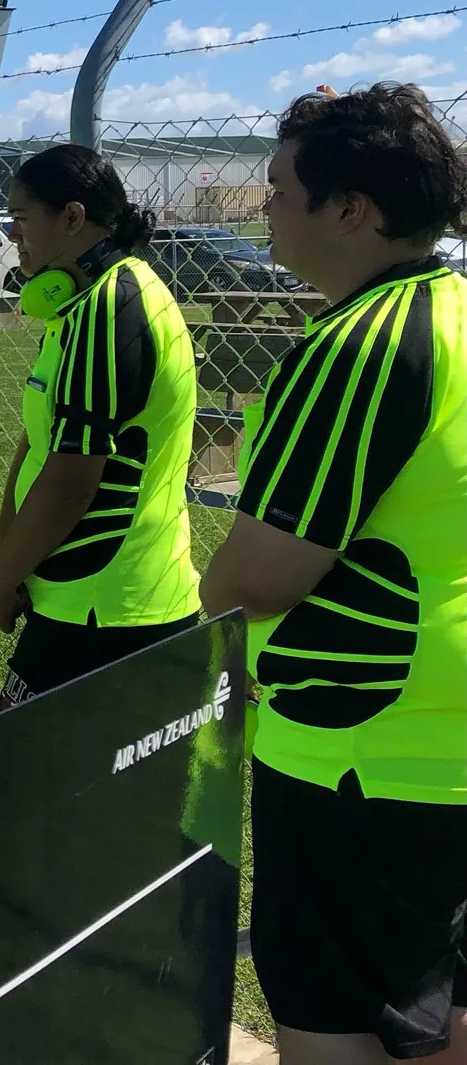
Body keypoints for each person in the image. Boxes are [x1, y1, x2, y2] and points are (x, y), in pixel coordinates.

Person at [201, 83, 467, 1065]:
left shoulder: (358, 345)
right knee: (439, 1014)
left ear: (351, 209)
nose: (265, 208)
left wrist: (207, 605)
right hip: (442, 747)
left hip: (359, 751)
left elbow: (262, 575)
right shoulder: (457, 312)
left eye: (277, 190)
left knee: (332, 1018)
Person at [0, 144, 200, 703]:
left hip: (109, 609)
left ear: (73, 217)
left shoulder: (108, 308)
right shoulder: (81, 306)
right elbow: (37, 449)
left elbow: (71, 479)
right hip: (79, 598)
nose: (14, 236)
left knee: (21, 782)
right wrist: (5, 564)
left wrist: (0, 581)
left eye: (22, 220)